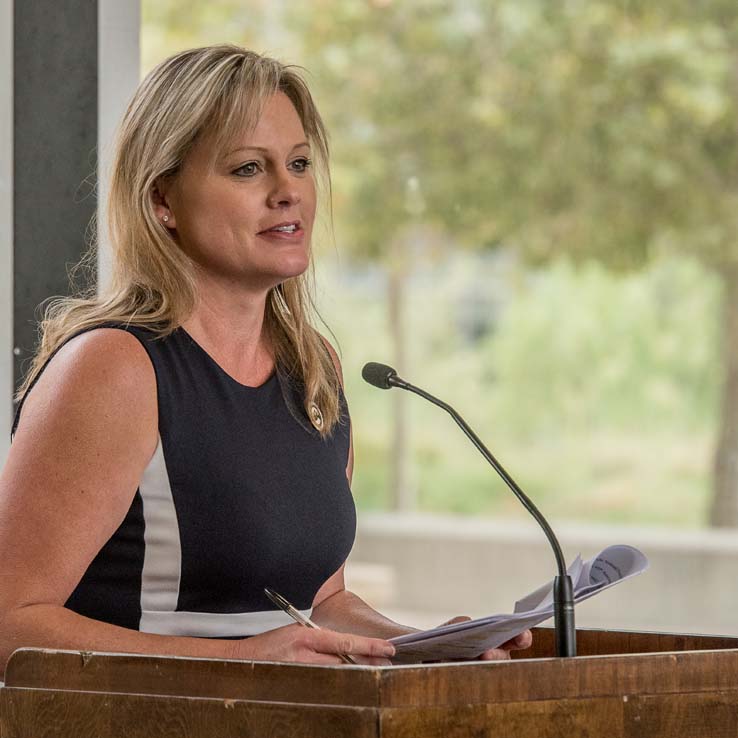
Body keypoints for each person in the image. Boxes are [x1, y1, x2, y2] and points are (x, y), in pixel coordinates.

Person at [0, 45, 531, 669]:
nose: (288, 192)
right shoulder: (114, 367)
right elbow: (11, 623)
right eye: (249, 169)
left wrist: (420, 646)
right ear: (162, 200)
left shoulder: (315, 368)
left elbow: (320, 603)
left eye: (299, 163)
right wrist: (238, 660)